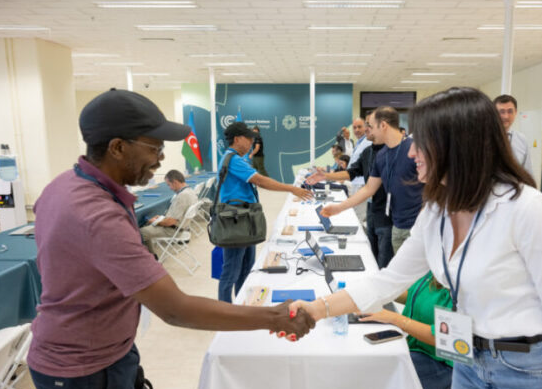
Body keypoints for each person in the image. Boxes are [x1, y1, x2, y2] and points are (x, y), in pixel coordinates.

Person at [291, 87, 542, 389]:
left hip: (533, 372)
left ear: (459, 145)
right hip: (469, 360)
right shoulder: (436, 211)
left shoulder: (529, 212)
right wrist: (316, 309)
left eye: (423, 143)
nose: (413, 152)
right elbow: (389, 280)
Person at [27, 89, 315, 389]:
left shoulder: (62, 186)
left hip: (95, 354)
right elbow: (175, 309)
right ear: (117, 147)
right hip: (87, 368)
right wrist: (274, 317)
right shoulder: (96, 215)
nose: (161, 158)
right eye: (153, 147)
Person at [217, 121, 313, 303]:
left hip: (245, 218)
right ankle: (225, 311)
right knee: (231, 271)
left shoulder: (236, 158)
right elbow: (261, 181)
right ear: (237, 139)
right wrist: (291, 189)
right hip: (236, 220)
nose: (251, 143)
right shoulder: (234, 159)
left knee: (245, 268)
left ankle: (241, 304)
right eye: (248, 139)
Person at [320, 106, 424, 253]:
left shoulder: (414, 150)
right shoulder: (381, 156)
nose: (370, 130)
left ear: (383, 125)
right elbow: (369, 189)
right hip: (397, 226)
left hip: (418, 228)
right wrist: (338, 208)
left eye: (371, 126)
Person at [306, 112, 394, 268]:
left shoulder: (391, 153)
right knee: (372, 257)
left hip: (388, 216)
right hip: (372, 209)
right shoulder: (369, 152)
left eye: (368, 125)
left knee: (384, 263)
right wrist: (325, 176)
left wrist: (339, 207)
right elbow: (351, 172)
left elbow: (369, 188)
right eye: (364, 125)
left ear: (382, 126)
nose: (365, 129)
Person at [360, 272, 453, 389]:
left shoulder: (460, 284)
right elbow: (414, 296)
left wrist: (396, 319)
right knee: (364, 366)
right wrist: (379, 292)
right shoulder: (435, 270)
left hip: (445, 367)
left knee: (372, 384)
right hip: (416, 349)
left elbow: (444, 338)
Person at [139, 169, 197, 253]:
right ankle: (151, 256)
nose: (170, 188)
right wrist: (161, 218)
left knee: (140, 232)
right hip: (181, 227)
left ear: (175, 182)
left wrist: (155, 222)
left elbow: (170, 222)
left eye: (169, 185)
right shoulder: (191, 192)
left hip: (171, 230)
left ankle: (151, 258)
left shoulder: (182, 196)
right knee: (146, 227)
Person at [494, 94, 534, 180]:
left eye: (510, 111)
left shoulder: (521, 140)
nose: (506, 116)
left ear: (515, 112)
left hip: (515, 190)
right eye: (501, 112)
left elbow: (527, 171)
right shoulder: (484, 138)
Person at [346, 117, 371, 223]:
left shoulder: (368, 142)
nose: (356, 130)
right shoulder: (359, 142)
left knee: (359, 218)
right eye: (354, 127)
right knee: (356, 215)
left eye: (359, 127)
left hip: (362, 184)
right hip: (356, 183)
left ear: (365, 127)